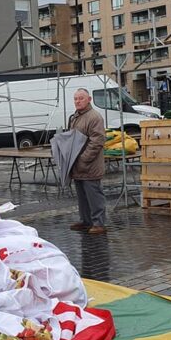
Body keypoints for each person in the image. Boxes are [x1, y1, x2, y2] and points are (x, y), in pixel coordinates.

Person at [68, 88, 106, 234]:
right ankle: (86, 221)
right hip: (77, 165)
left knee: (94, 196)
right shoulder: (75, 117)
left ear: (89, 99)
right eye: (76, 98)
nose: (77, 101)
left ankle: (99, 223)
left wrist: (83, 159)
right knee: (82, 197)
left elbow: (97, 141)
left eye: (81, 98)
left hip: (89, 166)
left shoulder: (94, 117)